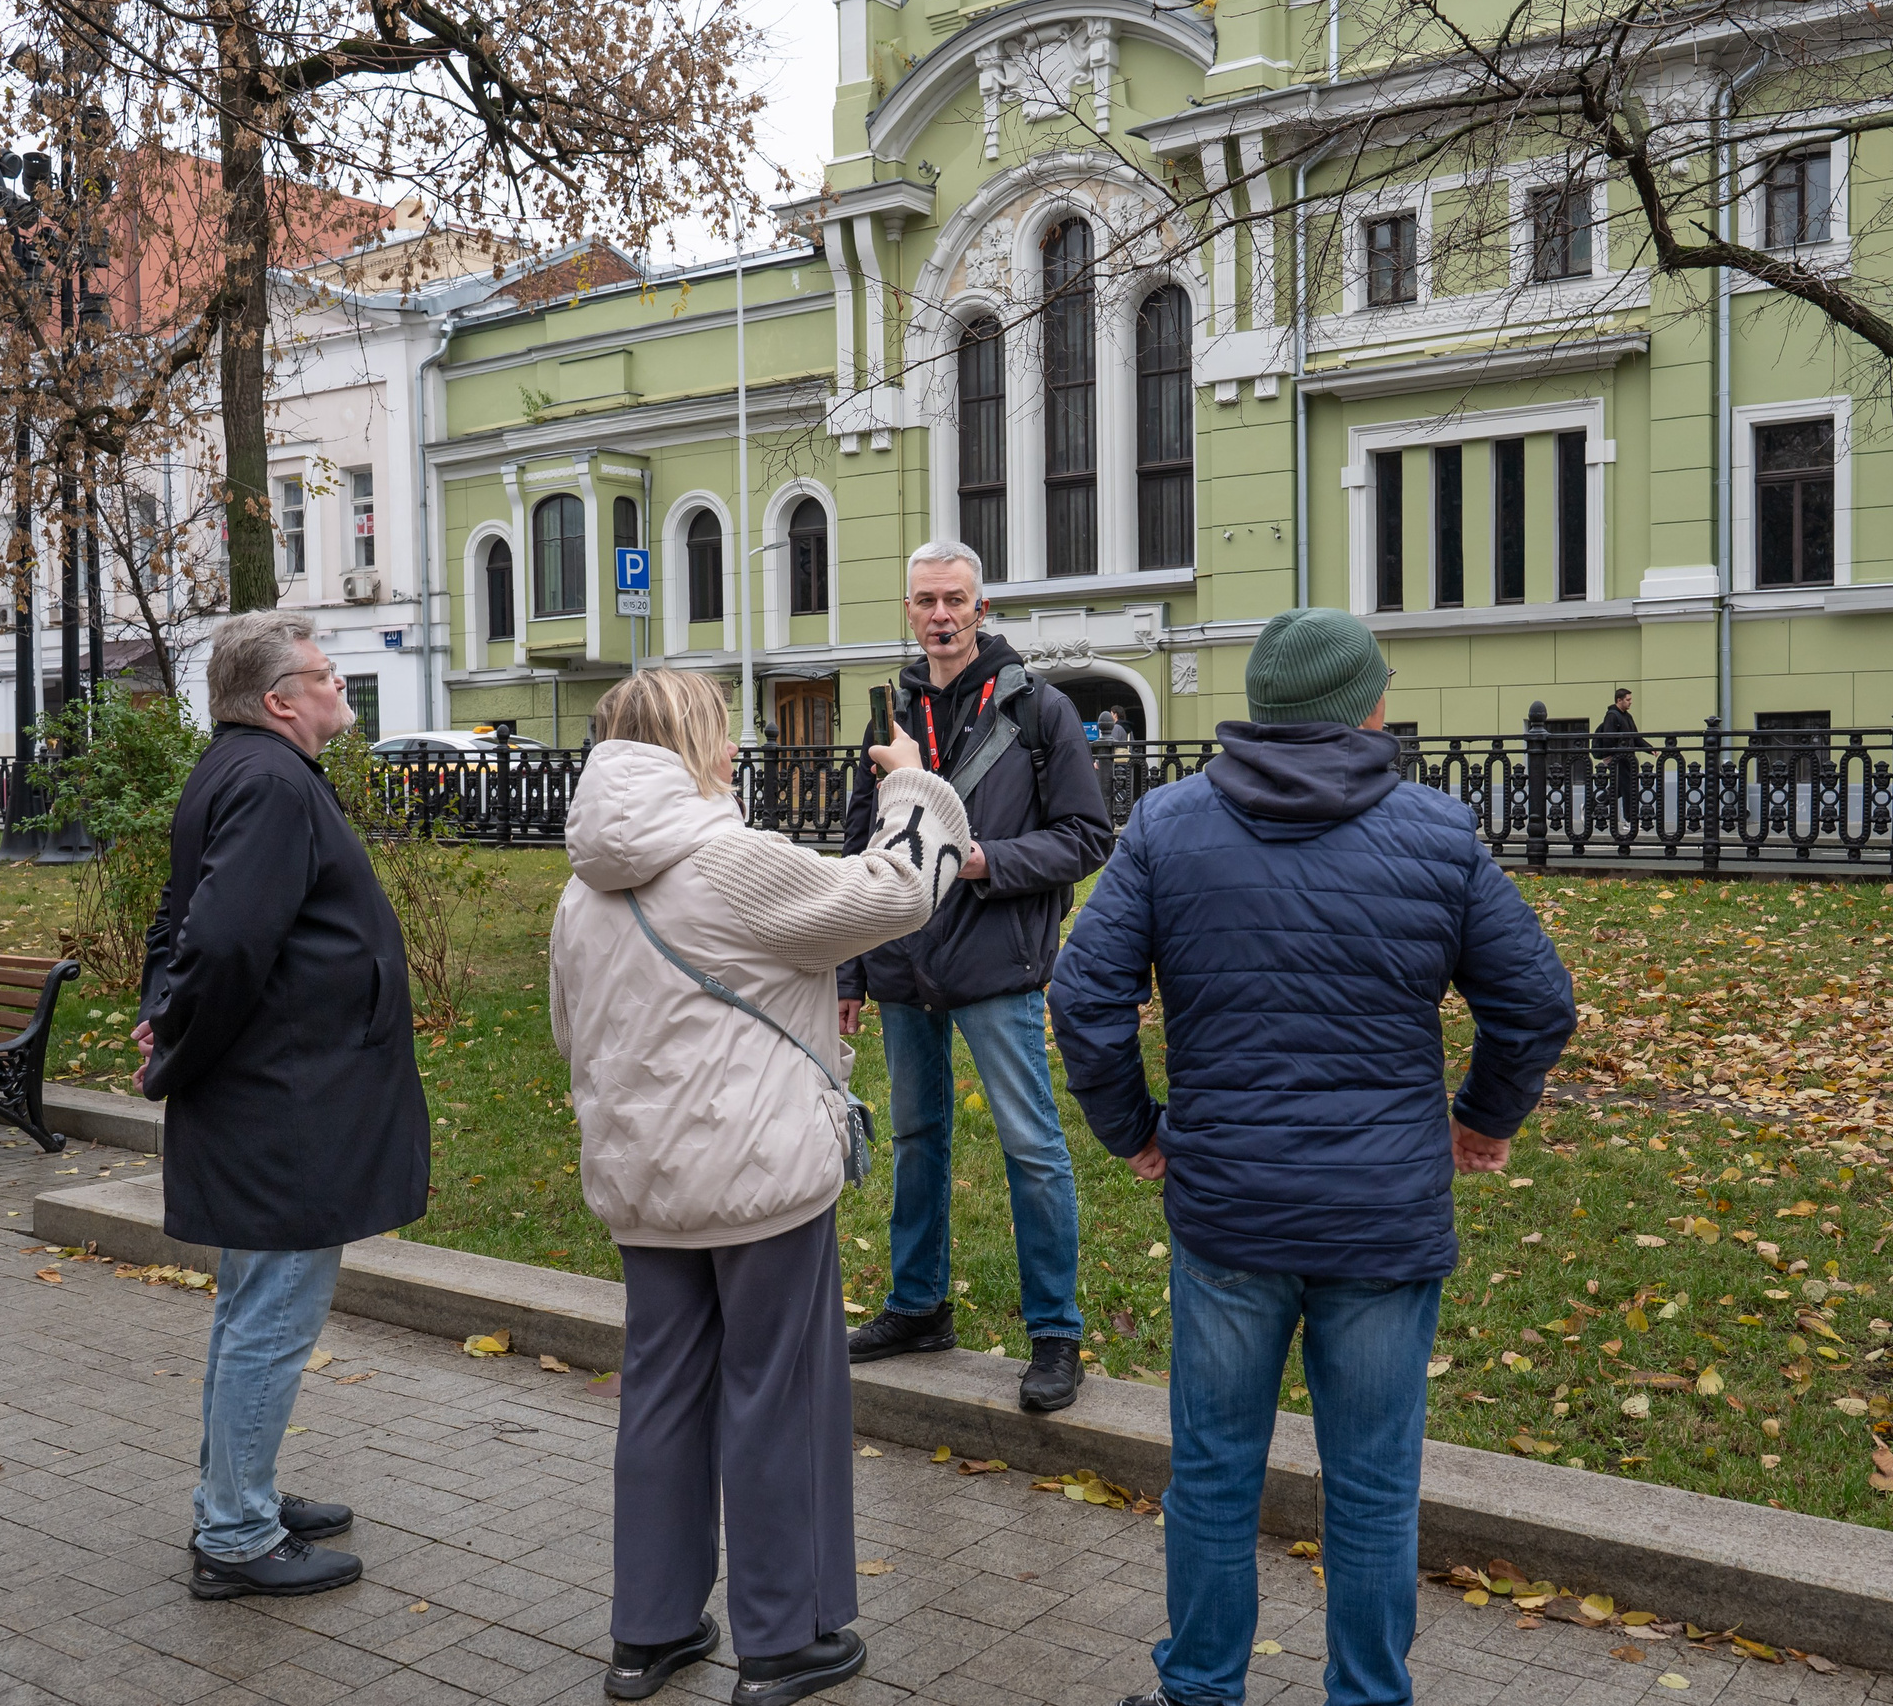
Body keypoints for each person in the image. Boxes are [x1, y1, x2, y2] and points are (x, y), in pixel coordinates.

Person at [1048, 607, 1577, 1706]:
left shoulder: (1165, 826)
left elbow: (1083, 994)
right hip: (1382, 1216)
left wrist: (1135, 1130)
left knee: (1212, 1473)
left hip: (1230, 1213)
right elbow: (1533, 1000)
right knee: (1375, 1488)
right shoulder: (1439, 833)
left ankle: (1199, 1688)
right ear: (1365, 705)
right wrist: (1482, 1116)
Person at [550, 669, 968, 1706]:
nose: (734, 752)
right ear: (692, 743)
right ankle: (784, 1640)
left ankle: (647, 1632)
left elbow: (574, 1037)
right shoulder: (727, 863)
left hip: (642, 1183)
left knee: (658, 1395)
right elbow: (897, 893)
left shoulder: (580, 882)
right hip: (757, 1180)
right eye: (722, 734)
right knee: (777, 1400)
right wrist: (913, 788)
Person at [133, 609, 430, 1601]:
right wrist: (174, 1038)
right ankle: (235, 1533)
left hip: (280, 1094)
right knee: (268, 1316)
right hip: (284, 1101)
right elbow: (216, 942)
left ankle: (238, 1487)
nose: (340, 683)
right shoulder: (265, 779)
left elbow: (181, 917)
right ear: (280, 700)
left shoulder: (244, 770)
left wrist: (162, 1014)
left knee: (249, 1309)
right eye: (326, 673)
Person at [835, 539, 1114, 1413]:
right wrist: (847, 967)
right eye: (926, 601)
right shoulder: (891, 708)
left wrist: (984, 858)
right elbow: (858, 843)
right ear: (909, 611)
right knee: (917, 1140)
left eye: (956, 600)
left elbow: (1086, 837)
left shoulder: (1040, 710)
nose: (942, 616)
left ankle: (1056, 1332)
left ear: (982, 610)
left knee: (1031, 1147)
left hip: (997, 963)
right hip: (902, 960)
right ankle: (918, 1307)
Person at [1597, 686, 1652, 833]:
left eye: (1630, 699)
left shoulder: (1627, 716)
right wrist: (1614, 755)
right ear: (1619, 700)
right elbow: (1608, 738)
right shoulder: (1612, 716)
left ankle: (1592, 805)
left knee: (1619, 789)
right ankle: (1630, 820)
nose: (1630, 702)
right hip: (1618, 758)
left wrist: (1650, 749)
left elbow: (1635, 737)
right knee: (1628, 787)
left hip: (1627, 758)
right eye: (1628, 700)